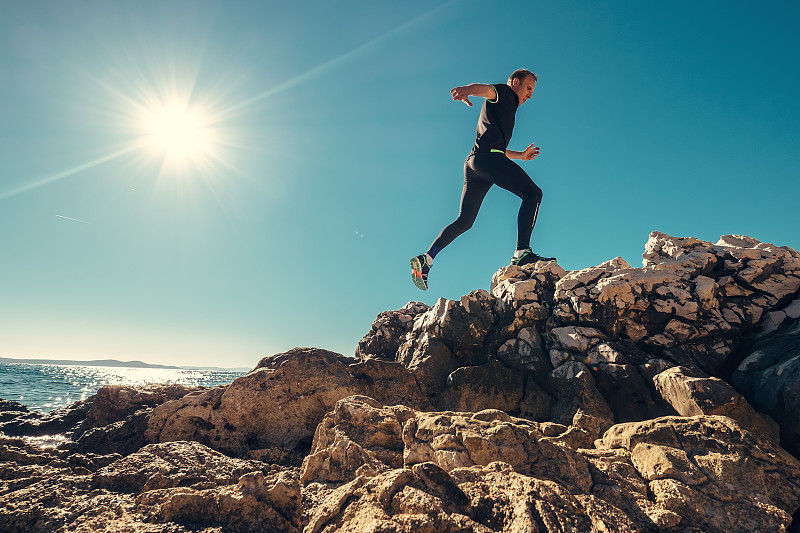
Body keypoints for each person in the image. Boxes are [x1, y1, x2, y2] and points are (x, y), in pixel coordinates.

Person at [410, 68, 554, 291]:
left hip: (475, 163)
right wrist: (466, 90)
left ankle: (426, 259)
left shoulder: (506, 109)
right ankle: (521, 253)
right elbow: (486, 90)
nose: (530, 95)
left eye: (532, 92)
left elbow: (500, 150)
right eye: (528, 88)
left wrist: (521, 156)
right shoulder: (505, 93)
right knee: (533, 193)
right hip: (487, 159)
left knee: (465, 221)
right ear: (515, 82)